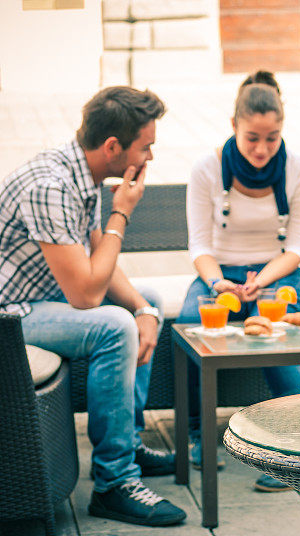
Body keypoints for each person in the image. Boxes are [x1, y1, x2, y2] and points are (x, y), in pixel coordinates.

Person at [0, 87, 186, 526]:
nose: (151, 157)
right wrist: (121, 212)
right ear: (112, 148)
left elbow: (97, 254)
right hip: (11, 314)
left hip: (41, 299)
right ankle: (114, 482)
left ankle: (128, 441)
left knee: (146, 305)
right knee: (114, 326)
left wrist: (145, 308)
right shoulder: (51, 185)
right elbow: (85, 294)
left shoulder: (80, 174)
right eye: (147, 147)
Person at [176, 70, 300, 492]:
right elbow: (199, 245)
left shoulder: (298, 170)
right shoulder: (207, 168)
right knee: (190, 324)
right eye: (252, 137)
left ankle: (296, 445)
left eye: (272, 137)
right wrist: (219, 284)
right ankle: (201, 435)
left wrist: (262, 282)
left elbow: (297, 247)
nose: (261, 148)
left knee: (272, 332)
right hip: (218, 275)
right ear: (234, 126)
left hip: (279, 270)